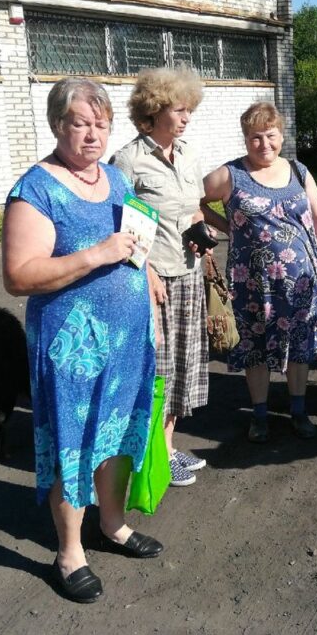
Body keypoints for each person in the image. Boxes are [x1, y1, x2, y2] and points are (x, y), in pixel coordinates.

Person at [2, 78, 163, 603]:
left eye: (102, 124)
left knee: (117, 434)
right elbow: (19, 276)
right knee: (74, 443)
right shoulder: (36, 189)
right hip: (73, 348)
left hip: (126, 338)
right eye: (81, 123)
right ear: (57, 125)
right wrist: (97, 254)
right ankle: (69, 552)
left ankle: (112, 524)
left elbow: (133, 240)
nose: (93, 134)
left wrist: (148, 273)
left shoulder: (113, 178)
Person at [202, 102, 317, 443]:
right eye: (255, 138)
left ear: (281, 136)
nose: (264, 144)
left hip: (302, 281)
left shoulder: (299, 171)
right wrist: (228, 227)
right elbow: (193, 200)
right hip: (251, 283)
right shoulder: (230, 175)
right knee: (255, 346)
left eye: (270, 136)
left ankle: (298, 411)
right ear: (246, 139)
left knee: (299, 345)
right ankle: (259, 416)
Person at [111, 67, 210, 488]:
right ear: (153, 110)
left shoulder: (188, 154)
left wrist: (199, 233)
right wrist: (146, 270)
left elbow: (195, 208)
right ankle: (153, 457)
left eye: (189, 110)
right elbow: (120, 227)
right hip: (152, 280)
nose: (186, 118)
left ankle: (166, 448)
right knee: (156, 370)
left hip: (188, 274)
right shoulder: (128, 160)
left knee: (182, 366)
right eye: (179, 110)